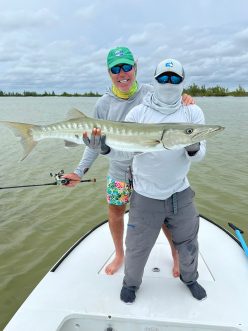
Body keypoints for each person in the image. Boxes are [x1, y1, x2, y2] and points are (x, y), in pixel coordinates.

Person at [63, 48, 194, 276]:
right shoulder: (103, 104)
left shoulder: (152, 93)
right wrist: (79, 171)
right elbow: (93, 144)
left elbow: (173, 106)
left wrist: (184, 97)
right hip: (119, 170)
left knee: (163, 215)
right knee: (115, 211)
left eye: (126, 67)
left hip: (152, 172)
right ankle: (120, 254)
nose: (122, 73)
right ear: (109, 72)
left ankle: (175, 254)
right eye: (116, 69)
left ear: (136, 68)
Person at [90, 58, 207, 302]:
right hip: (144, 193)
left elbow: (198, 156)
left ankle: (191, 279)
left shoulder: (192, 111)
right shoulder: (138, 112)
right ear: (155, 80)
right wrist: (104, 149)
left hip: (180, 191)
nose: (169, 82)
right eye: (163, 77)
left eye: (175, 78)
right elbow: (126, 151)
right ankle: (131, 284)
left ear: (182, 81)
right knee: (137, 248)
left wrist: (193, 145)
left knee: (188, 244)